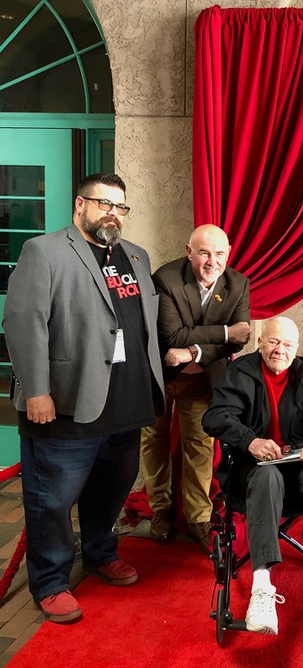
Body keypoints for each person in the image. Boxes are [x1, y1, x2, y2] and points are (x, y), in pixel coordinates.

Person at [2, 173, 165, 624]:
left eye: (120, 206)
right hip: (67, 401)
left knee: (111, 488)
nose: (112, 212)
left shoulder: (135, 255)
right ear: (80, 205)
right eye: (103, 203)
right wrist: (36, 390)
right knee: (52, 498)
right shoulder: (45, 251)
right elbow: (22, 322)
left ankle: (98, 553)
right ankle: (51, 581)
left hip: (125, 402)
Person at [202, 316, 303, 635]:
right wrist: (250, 441)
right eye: (273, 341)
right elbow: (215, 416)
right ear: (260, 342)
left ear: (296, 348)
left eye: (287, 344)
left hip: (300, 472)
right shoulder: (240, 373)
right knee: (267, 477)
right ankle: (261, 588)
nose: (280, 350)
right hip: (254, 472)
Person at [141, 224, 250, 552]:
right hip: (159, 376)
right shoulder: (166, 278)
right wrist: (226, 332)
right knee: (154, 442)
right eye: (203, 252)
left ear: (228, 254)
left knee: (201, 447)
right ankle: (160, 509)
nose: (211, 261)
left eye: (219, 254)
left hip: (202, 379)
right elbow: (172, 337)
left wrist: (195, 350)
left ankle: (198, 517)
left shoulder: (238, 283)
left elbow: (241, 339)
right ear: (189, 252)